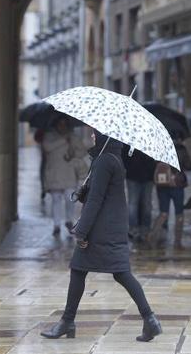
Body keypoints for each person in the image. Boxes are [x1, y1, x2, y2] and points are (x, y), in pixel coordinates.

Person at [40, 129, 162, 341]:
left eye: (96, 134)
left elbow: (96, 200)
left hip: (102, 228)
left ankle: (68, 322)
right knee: (104, 271)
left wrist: (81, 231)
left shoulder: (105, 161)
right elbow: (98, 193)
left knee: (95, 270)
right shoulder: (110, 158)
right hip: (110, 226)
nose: (93, 136)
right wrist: (84, 189)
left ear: (106, 137)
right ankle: (150, 320)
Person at [42, 117, 86, 235]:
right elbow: (47, 147)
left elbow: (82, 151)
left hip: (69, 173)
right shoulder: (49, 136)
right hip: (54, 173)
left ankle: (69, 220)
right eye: (60, 123)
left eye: (64, 124)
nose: (62, 126)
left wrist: (73, 153)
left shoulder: (73, 137)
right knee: (56, 200)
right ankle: (56, 225)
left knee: (69, 198)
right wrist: (63, 140)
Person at [147, 138, 191, 249]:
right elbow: (189, 165)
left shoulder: (160, 147)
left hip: (162, 184)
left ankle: (152, 236)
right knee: (179, 213)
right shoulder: (181, 149)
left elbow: (153, 164)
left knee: (163, 213)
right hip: (177, 184)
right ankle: (177, 242)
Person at [122, 146, 156, 244]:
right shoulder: (130, 142)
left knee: (144, 204)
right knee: (135, 204)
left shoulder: (150, 142)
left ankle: (142, 229)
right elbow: (124, 157)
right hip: (134, 176)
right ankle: (135, 229)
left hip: (147, 176)